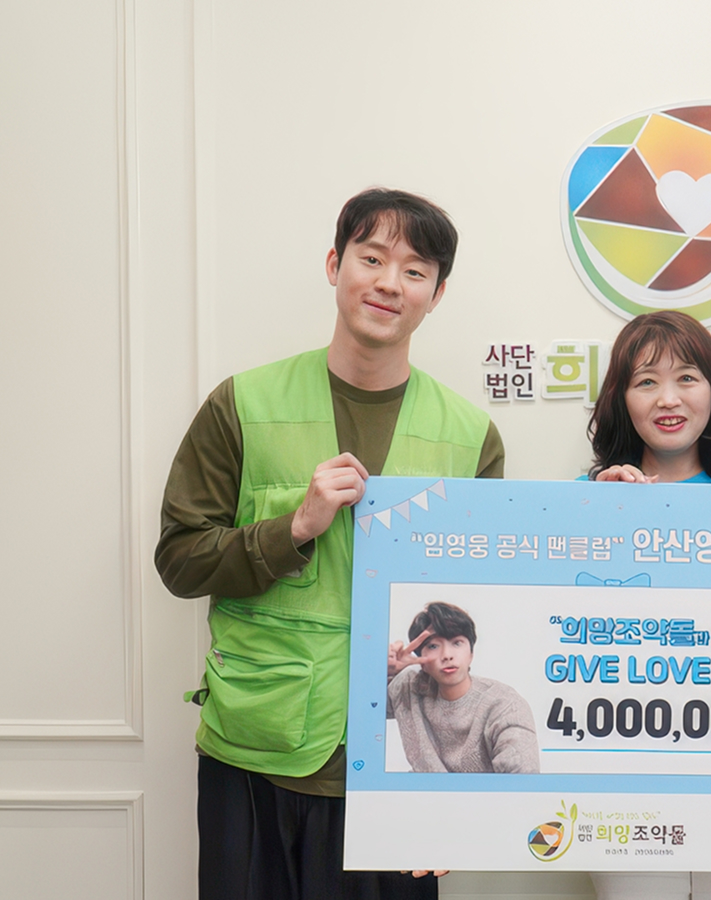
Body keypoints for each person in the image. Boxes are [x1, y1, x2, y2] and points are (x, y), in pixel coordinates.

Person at [156, 188, 504, 900]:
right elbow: (180, 560)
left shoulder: (472, 436)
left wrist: (459, 801)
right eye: (371, 258)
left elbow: (485, 604)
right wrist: (293, 529)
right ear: (333, 265)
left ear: (437, 294)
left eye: (414, 270)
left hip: (402, 767)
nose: (389, 282)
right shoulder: (241, 405)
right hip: (255, 751)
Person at [582, 310, 711, 900]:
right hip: (624, 788)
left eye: (687, 378)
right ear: (621, 400)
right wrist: (598, 522)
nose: (667, 398)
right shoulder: (585, 502)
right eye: (646, 381)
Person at [386, 601, 539, 773]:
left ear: (471, 654)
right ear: (421, 661)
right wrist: (382, 671)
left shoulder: (504, 705)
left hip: (485, 793)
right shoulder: (408, 688)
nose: (447, 655)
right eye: (433, 646)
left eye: (457, 643)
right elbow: (365, 712)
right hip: (420, 791)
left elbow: (522, 780)